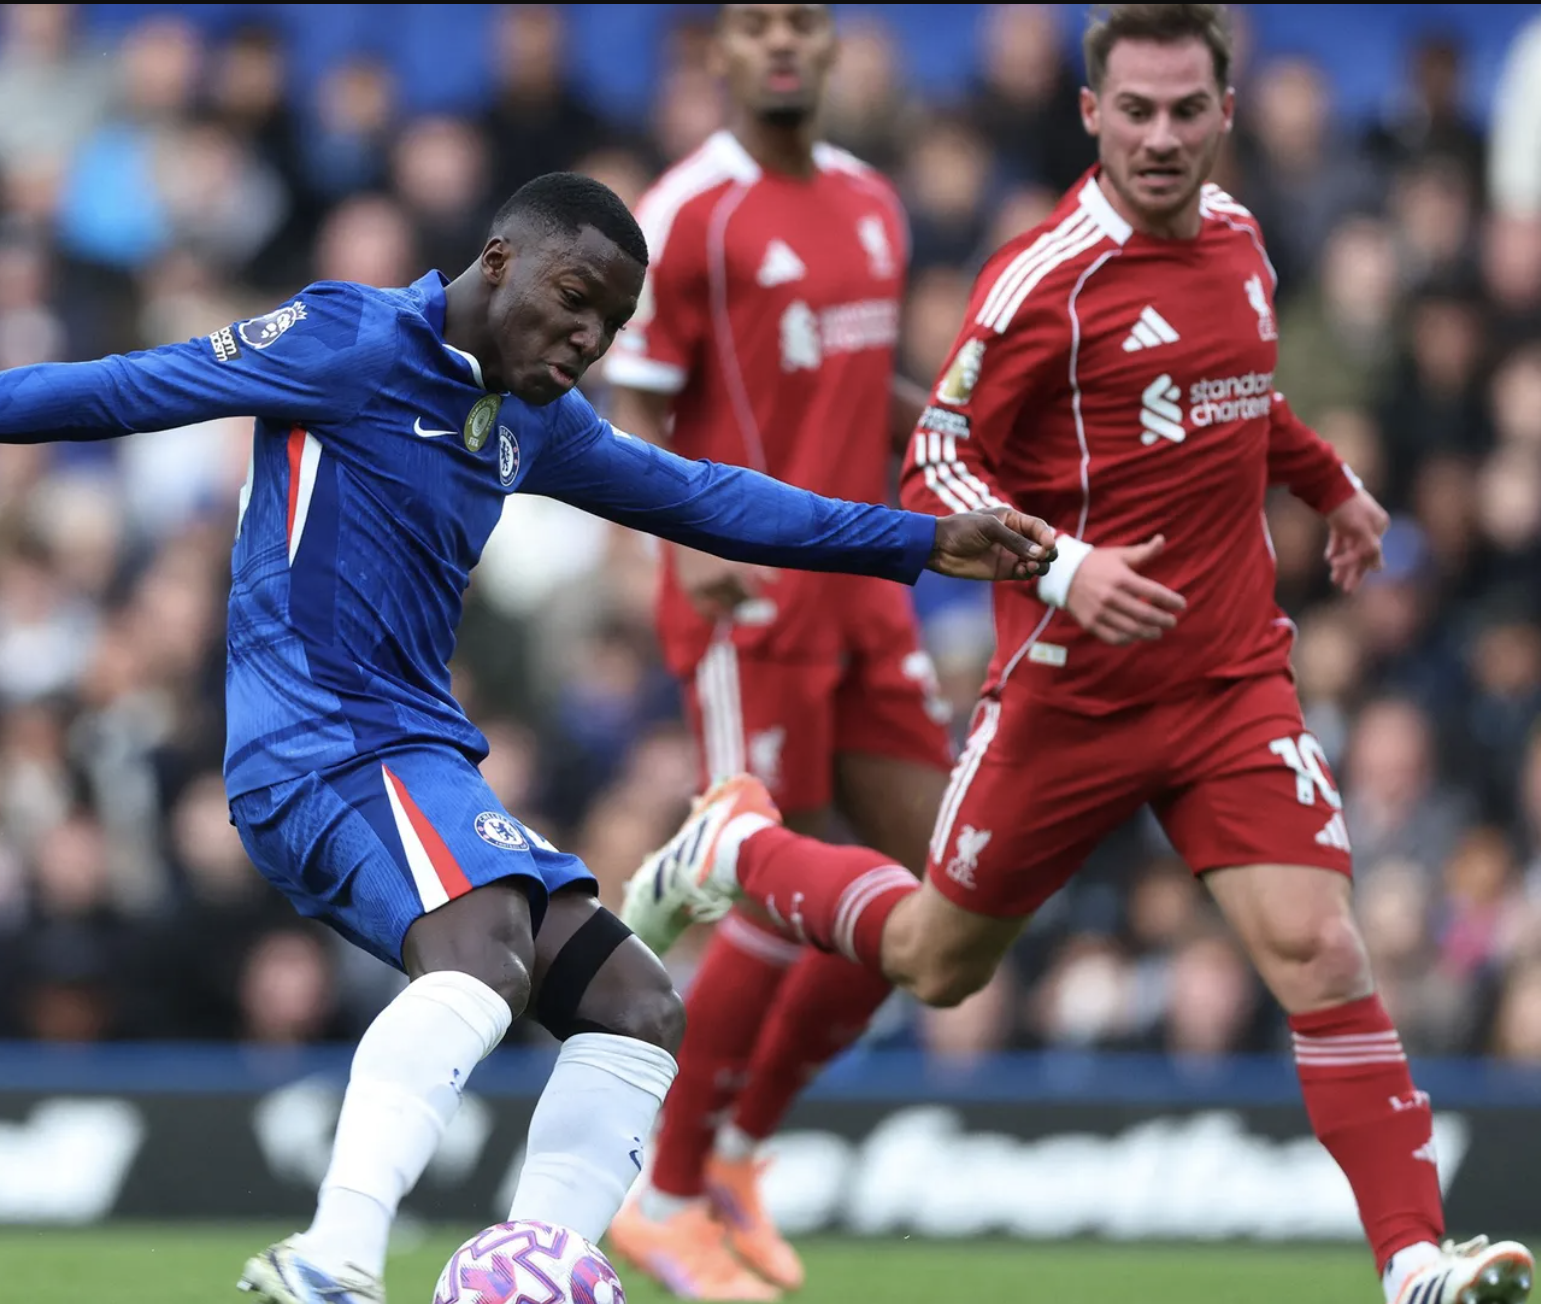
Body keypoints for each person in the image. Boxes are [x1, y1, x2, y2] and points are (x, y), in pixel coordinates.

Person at [0, 172, 1059, 1304]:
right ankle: (335, 1252)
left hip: (413, 756)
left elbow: (701, 498)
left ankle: (535, 1266)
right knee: (483, 956)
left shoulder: (534, 419)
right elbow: (126, 389)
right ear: (500, 260)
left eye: (610, 323)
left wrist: (915, 540)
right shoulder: (350, 342)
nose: (588, 338)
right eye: (573, 299)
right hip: (319, 746)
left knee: (632, 1004)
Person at [619, 8, 1537, 1304]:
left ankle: (1412, 1263)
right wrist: (1059, 566)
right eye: (1138, 113)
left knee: (1323, 949)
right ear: (1091, 114)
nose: (1163, 138)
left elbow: (1240, 393)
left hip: (1227, 681)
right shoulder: (1045, 276)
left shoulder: (1240, 241)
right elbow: (935, 449)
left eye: (1187, 111)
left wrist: (1332, 487)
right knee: (940, 961)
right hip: (1070, 694)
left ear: (1227, 109)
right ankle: (735, 855)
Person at [599, 6, 946, 1298]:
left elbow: (861, 392)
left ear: (837, 43)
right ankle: (666, 1194)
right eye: (757, 25)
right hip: (750, 583)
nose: (783, 44)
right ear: (722, 53)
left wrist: (968, 450)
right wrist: (676, 537)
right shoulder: (692, 208)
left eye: (804, 19)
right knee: (770, 871)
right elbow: (629, 394)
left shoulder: (872, 201)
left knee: (933, 889)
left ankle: (737, 1152)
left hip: (871, 581)